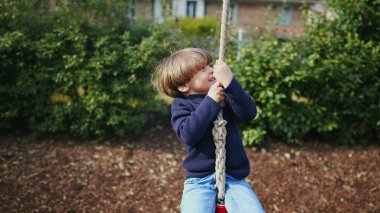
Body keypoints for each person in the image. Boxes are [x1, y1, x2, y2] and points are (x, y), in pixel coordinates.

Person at [153, 48, 265, 213]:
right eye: (202, 69)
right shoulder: (181, 104)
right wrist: (211, 101)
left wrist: (230, 82)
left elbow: (248, 114)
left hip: (234, 180)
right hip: (199, 182)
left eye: (209, 65)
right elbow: (188, 135)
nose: (211, 70)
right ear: (183, 85)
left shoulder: (226, 96)